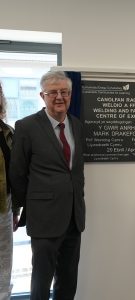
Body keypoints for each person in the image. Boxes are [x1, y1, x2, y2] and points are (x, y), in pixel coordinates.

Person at [9, 71, 85, 300]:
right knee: (42, 281)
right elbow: (18, 172)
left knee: (69, 278)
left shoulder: (78, 126)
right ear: (43, 96)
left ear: (70, 96)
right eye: (53, 92)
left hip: (73, 216)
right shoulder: (27, 126)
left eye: (64, 92)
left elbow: (76, 171)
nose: (59, 97)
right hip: (43, 217)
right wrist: (18, 209)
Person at [0, 82, 19, 300]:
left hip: (4, 210)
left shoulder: (8, 132)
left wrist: (16, 211)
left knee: (5, 267)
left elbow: (15, 175)